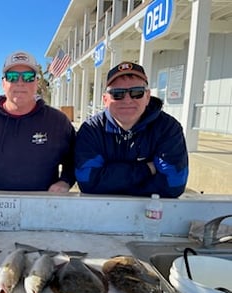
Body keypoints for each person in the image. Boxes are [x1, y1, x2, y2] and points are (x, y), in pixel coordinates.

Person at [0, 50, 76, 192]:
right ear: (3, 83)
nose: (20, 83)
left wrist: (65, 181)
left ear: (36, 82)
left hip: (43, 208)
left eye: (28, 77)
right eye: (12, 77)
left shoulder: (58, 121)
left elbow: (75, 158)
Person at [75, 61, 189, 198]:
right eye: (117, 94)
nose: (127, 100)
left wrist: (111, 181)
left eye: (137, 93)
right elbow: (88, 182)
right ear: (105, 100)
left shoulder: (168, 128)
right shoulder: (91, 130)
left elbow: (173, 185)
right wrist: (148, 168)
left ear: (147, 97)